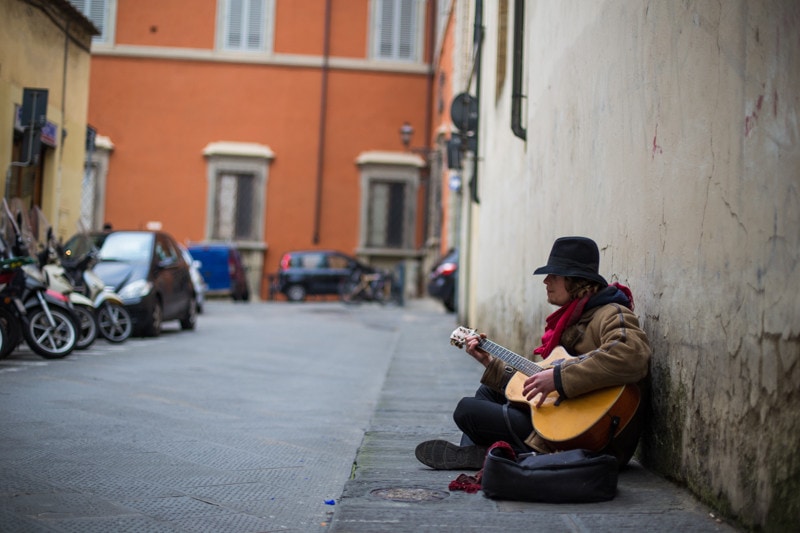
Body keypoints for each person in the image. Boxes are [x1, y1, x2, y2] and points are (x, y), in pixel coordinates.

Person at [415, 236, 652, 470]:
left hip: (594, 436)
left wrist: (559, 378)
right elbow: (539, 383)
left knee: (467, 410)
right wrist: (490, 362)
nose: (546, 281)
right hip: (562, 418)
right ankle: (481, 453)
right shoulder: (570, 319)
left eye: (554, 276)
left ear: (576, 281)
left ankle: (486, 453)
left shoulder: (611, 313)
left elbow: (632, 355)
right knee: (488, 392)